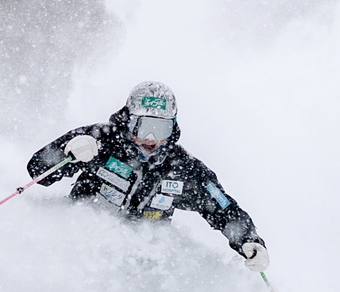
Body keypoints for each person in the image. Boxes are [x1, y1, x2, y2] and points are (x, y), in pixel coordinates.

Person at [27, 81, 270, 271]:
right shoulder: (101, 140)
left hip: (140, 264)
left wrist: (250, 240)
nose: (151, 139)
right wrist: (67, 151)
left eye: (160, 129)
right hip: (76, 248)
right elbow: (38, 170)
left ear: (173, 127)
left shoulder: (184, 169)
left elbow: (223, 209)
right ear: (128, 120)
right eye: (143, 127)